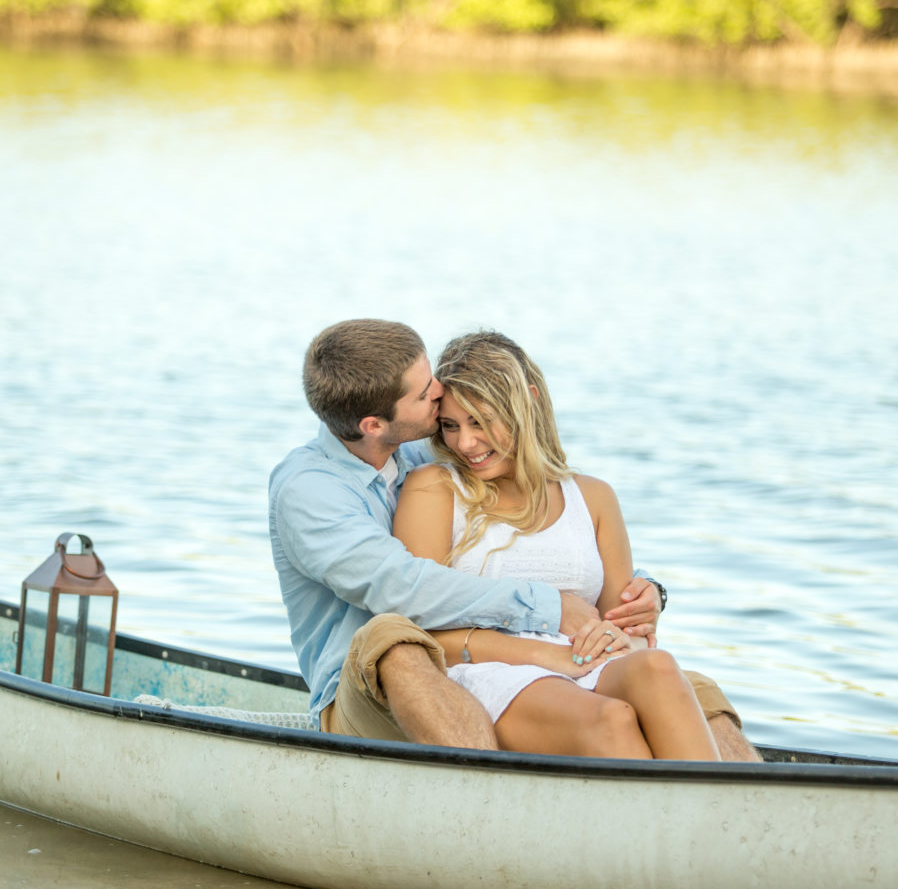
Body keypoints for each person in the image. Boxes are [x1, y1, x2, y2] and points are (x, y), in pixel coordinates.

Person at [269, 319, 758, 760]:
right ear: (374, 425)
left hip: (557, 656)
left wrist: (645, 591)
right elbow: (406, 591)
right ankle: (487, 804)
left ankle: (738, 825)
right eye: (429, 399)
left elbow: (546, 526)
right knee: (394, 638)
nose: (459, 435)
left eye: (471, 419)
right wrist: (551, 613)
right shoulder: (312, 492)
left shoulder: (418, 450)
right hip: (376, 684)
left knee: (680, 683)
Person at [392, 331, 723, 759]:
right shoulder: (434, 488)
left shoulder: (594, 497)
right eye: (451, 426)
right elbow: (418, 632)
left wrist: (634, 627)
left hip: (583, 664)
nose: (465, 443)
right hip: (488, 672)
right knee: (613, 719)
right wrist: (548, 656)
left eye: (481, 421)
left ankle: (709, 817)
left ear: (527, 402)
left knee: (658, 667)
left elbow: (625, 626)